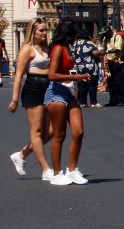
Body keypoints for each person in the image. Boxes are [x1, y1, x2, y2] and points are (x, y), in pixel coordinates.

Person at [43, 20, 90, 185]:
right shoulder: (57, 50)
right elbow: (52, 75)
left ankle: (72, 170)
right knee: (59, 135)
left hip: (69, 92)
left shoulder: (67, 48)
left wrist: (80, 76)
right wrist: (75, 77)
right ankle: (56, 173)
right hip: (56, 92)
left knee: (78, 132)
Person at [8, 18, 54, 179]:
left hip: (47, 88)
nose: (44, 33)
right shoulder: (27, 49)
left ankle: (21, 155)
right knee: (37, 131)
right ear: (33, 32)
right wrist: (14, 100)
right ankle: (46, 170)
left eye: (45, 30)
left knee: (51, 131)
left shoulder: (46, 48)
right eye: (41, 30)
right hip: (33, 87)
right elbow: (19, 75)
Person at [71, 29, 103, 108]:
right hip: (90, 67)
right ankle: (93, 102)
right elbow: (96, 52)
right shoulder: (89, 43)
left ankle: (83, 102)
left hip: (78, 67)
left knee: (82, 85)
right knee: (92, 85)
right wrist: (100, 56)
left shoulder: (75, 44)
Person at [102, 27, 124, 107]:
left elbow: (118, 49)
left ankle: (122, 100)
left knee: (118, 82)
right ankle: (113, 100)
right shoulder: (106, 39)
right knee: (110, 82)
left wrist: (107, 51)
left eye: (106, 34)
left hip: (117, 61)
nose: (105, 35)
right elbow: (104, 49)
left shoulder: (117, 37)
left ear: (109, 32)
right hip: (109, 62)